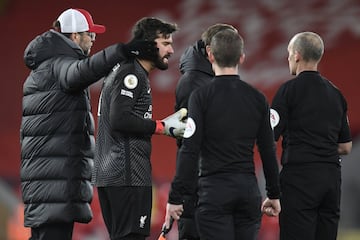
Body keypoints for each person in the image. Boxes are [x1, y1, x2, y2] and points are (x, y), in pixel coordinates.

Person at [20, 8, 158, 240]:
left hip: (51, 180)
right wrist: (121, 51)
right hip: (53, 181)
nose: (94, 38)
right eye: (90, 34)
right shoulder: (59, 64)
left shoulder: (48, 65)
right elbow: (81, 72)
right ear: (74, 36)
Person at [165, 29, 281, 240]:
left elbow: (189, 150)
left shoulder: (200, 97)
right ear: (242, 57)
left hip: (214, 191)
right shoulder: (258, 98)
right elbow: (268, 149)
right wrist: (274, 194)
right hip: (248, 190)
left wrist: (176, 197)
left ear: (210, 56)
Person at [92, 17, 186, 240]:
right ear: (148, 44)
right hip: (126, 175)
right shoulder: (131, 74)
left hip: (113, 173)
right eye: (165, 43)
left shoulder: (123, 71)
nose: (172, 50)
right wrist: (161, 127)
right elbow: (119, 119)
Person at [270, 31, 352, 240]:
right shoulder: (336, 94)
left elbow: (269, 136)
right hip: (330, 179)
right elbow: (346, 147)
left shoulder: (288, 91)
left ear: (297, 55)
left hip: (299, 178)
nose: (287, 57)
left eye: (288, 53)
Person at [173, 23, 239, 240]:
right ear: (211, 51)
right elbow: (187, 139)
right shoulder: (193, 82)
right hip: (200, 184)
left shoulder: (213, 78)